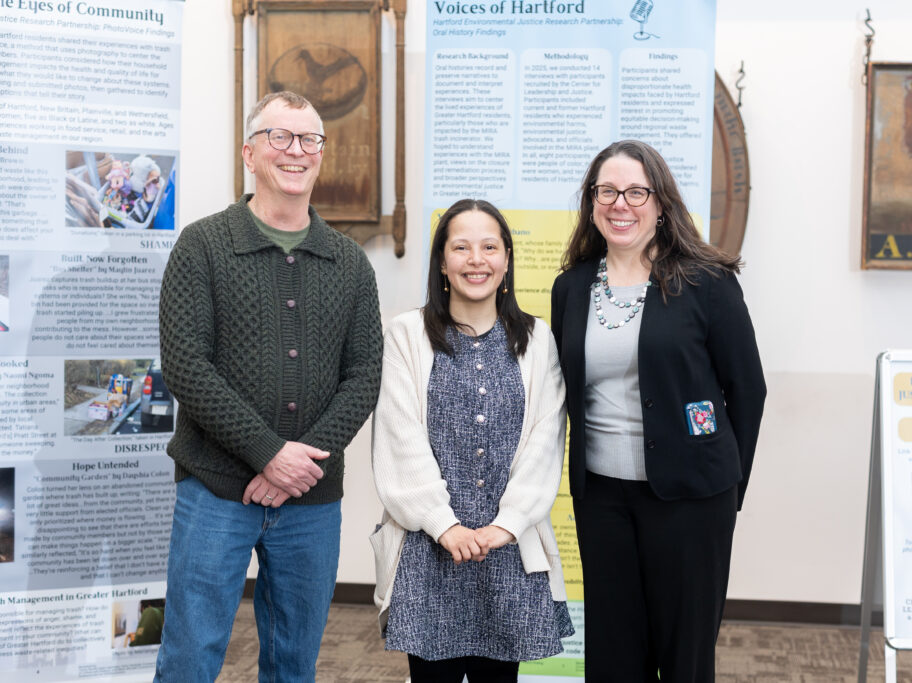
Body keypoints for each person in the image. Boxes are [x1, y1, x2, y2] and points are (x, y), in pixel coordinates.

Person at [154, 91, 383, 683]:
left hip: (311, 501)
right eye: (280, 137)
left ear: (321, 156)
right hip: (214, 492)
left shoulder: (350, 263)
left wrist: (296, 468)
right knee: (190, 657)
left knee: (294, 663)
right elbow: (186, 366)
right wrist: (269, 455)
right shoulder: (202, 247)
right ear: (249, 154)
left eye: (310, 139)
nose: (296, 151)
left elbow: (364, 376)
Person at [550, 140, 766, 682]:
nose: (620, 204)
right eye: (607, 191)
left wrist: (726, 488)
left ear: (661, 202)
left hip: (692, 499)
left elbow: (748, 388)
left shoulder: (707, 282)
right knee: (613, 654)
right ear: (591, 202)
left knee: (685, 655)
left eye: (636, 192)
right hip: (602, 498)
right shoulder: (571, 287)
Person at [370, 199, 573, 683]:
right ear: (442, 261)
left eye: (489, 247)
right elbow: (400, 437)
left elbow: (546, 437)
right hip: (429, 551)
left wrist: (507, 524)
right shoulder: (406, 335)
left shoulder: (538, 340)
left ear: (506, 260)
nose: (475, 259)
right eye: (460, 247)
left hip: (508, 551)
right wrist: (444, 525)